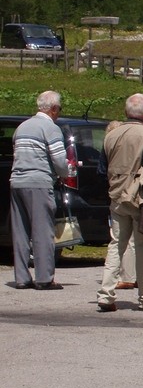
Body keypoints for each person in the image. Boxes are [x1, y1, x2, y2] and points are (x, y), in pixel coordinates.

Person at [96, 93, 143, 312]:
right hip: (141, 199)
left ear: (126, 112)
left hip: (117, 197)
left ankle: (105, 295)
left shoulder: (111, 135)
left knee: (115, 246)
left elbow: (102, 169)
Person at [9, 91, 71, 290]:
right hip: (39, 182)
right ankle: (44, 278)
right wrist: (66, 172)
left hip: (17, 181)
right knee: (42, 231)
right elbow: (60, 161)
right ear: (53, 109)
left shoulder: (22, 127)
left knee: (20, 231)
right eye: (59, 109)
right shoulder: (50, 128)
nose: (59, 113)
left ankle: (21, 277)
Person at [100, 121, 137, 291]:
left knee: (119, 239)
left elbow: (101, 170)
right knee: (135, 239)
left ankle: (124, 278)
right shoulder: (131, 145)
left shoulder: (109, 147)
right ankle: (133, 276)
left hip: (117, 194)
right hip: (135, 192)